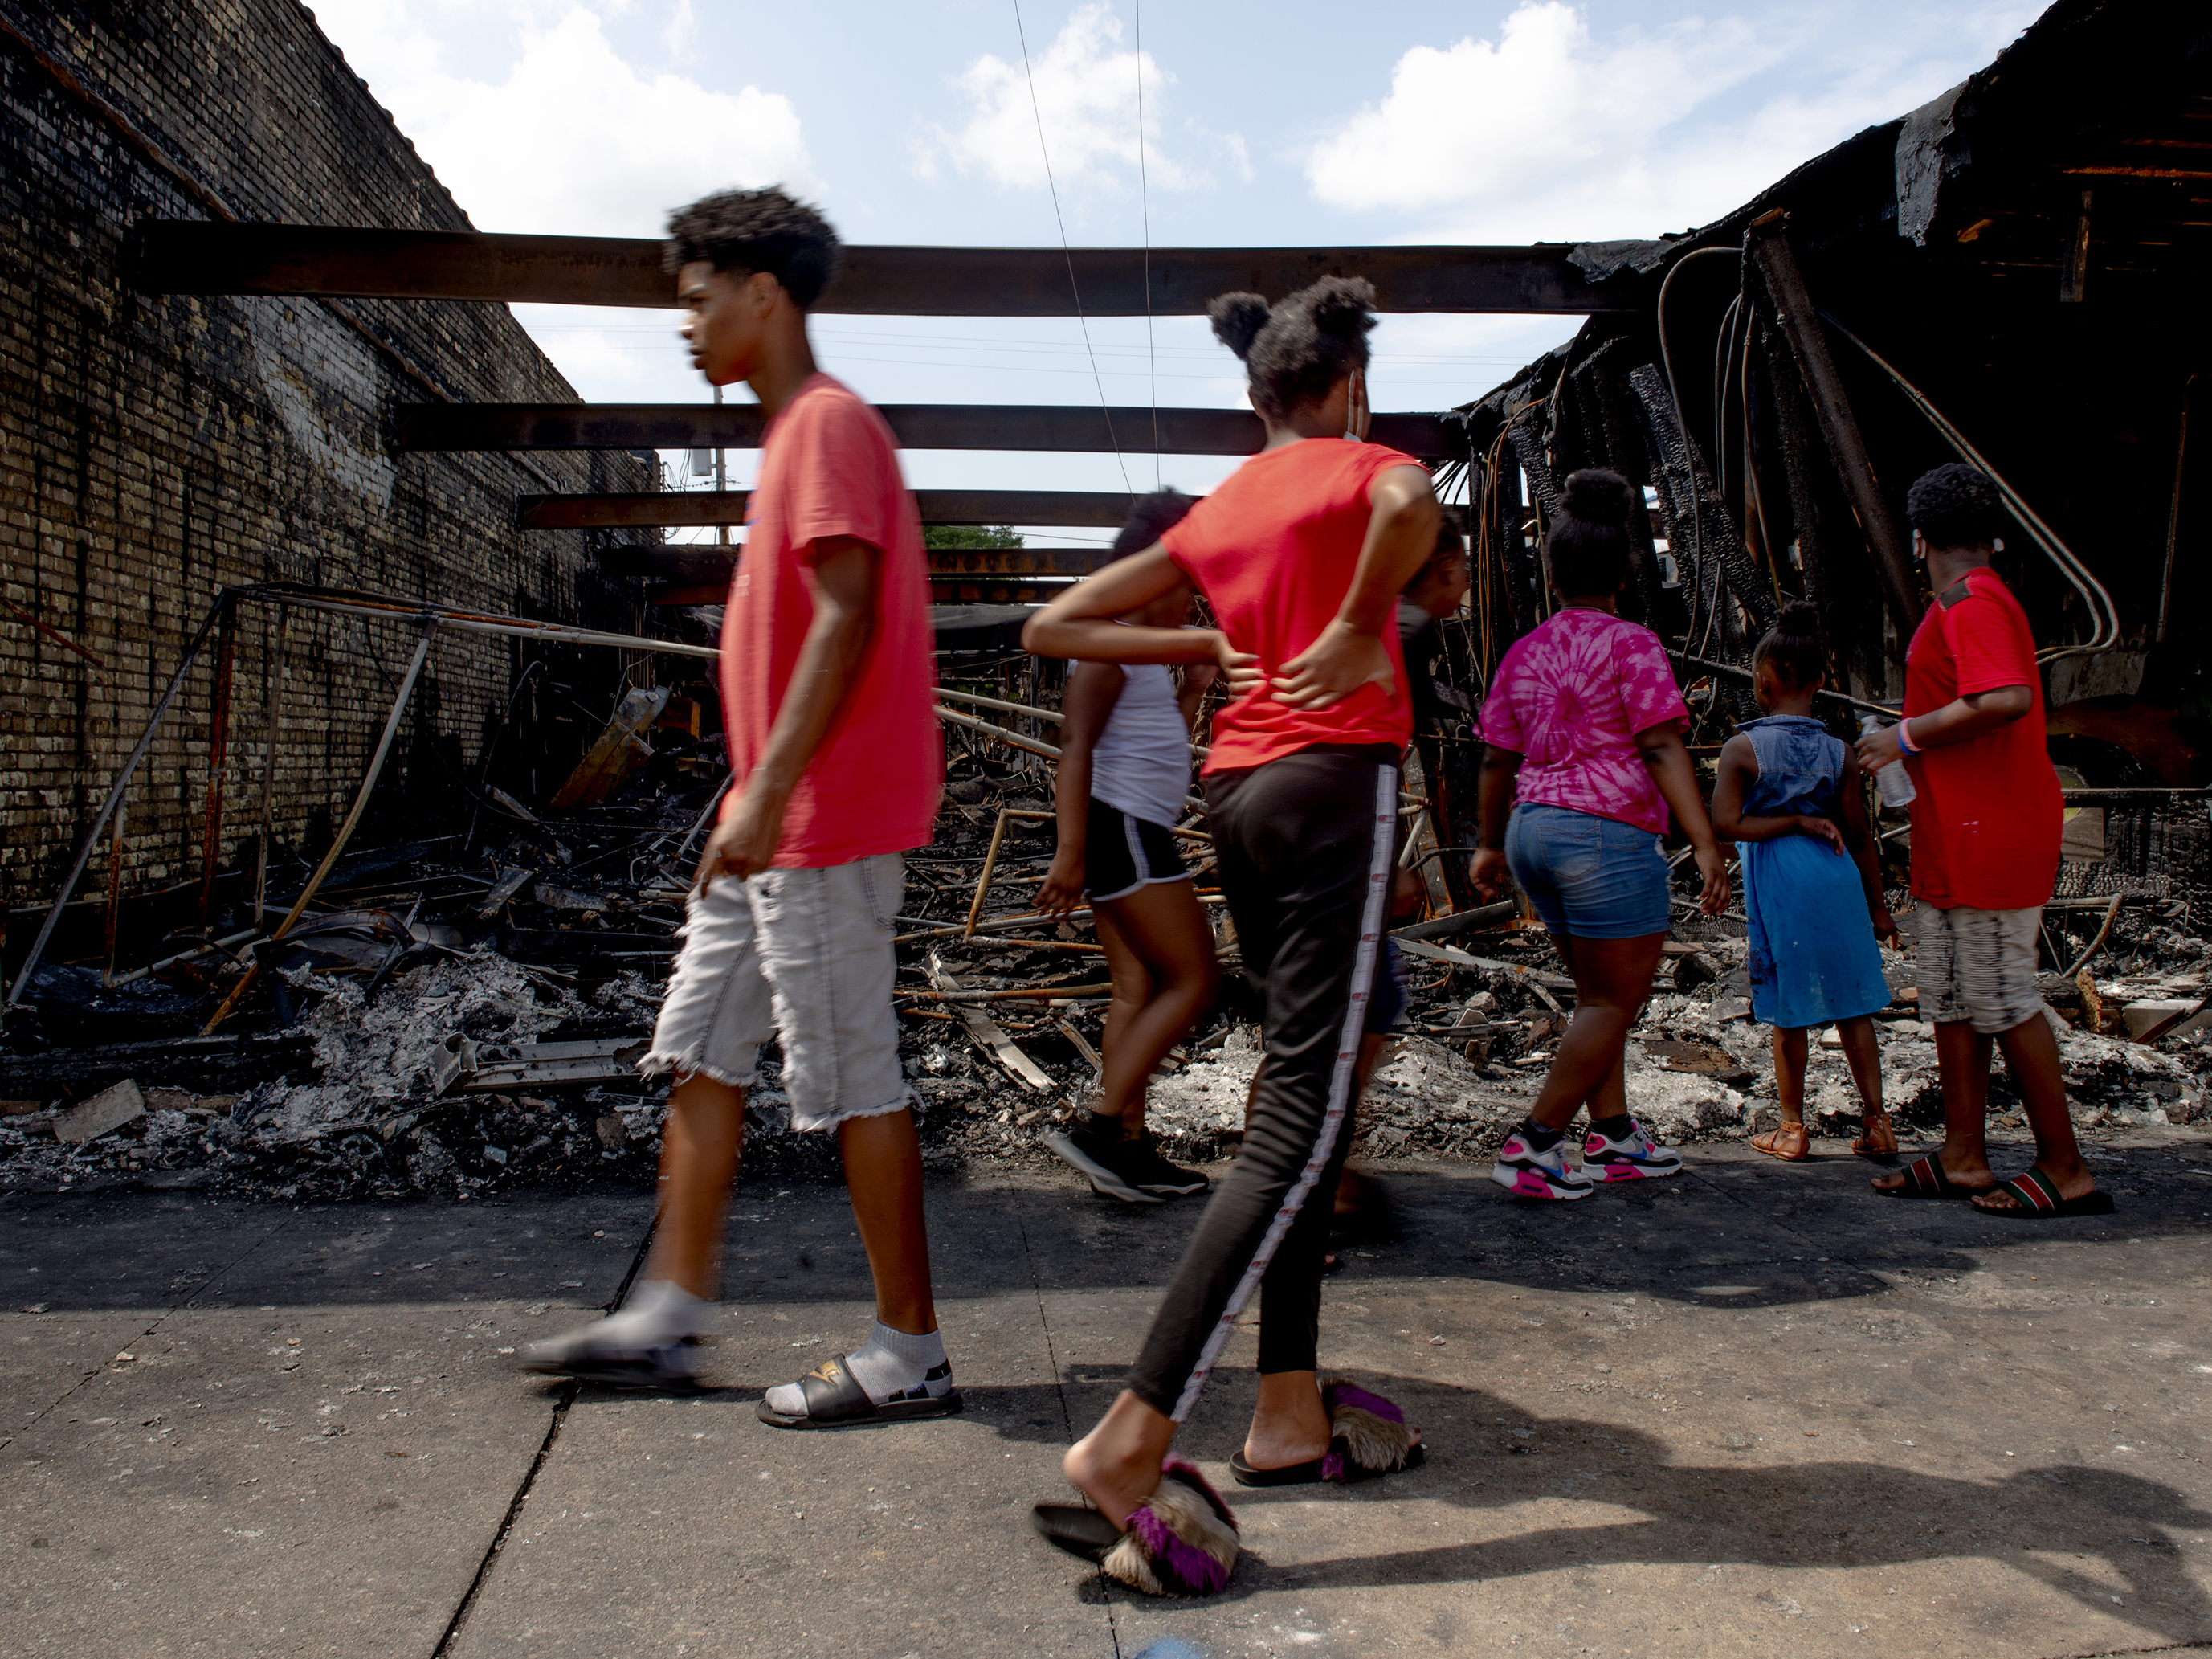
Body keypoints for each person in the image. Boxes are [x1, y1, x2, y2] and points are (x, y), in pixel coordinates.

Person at [524, 186, 966, 1421]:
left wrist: (769, 787)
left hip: (817, 818)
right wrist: (747, 794)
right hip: (769, 816)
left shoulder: (825, 427)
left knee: (852, 1077)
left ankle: (909, 1352)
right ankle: (666, 1314)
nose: (686, 323)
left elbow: (846, 611)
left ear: (761, 293)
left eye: (698, 297)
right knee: (702, 1051)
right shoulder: (792, 440)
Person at [1022, 277, 1431, 1593]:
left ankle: (1286, 1406)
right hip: (1329, 782)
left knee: (1300, 1096)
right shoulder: (1364, 461)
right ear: (1347, 380)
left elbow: (1051, 624)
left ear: (1251, 395)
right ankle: (1130, 1440)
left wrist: (1213, 629)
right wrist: (1361, 619)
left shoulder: (1219, 508)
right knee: (1302, 1114)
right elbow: (1407, 508)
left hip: (1235, 792)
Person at [1855, 464, 2108, 1216]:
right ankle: (1964, 1155)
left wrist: (1905, 735)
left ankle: (2065, 1168)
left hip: (1990, 832)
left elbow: (2005, 697)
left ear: (1919, 537)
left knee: (2002, 997)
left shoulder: (1972, 603)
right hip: (1955, 833)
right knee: (1957, 997)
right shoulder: (1965, 603)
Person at [1471, 468, 1732, 1200]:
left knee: (1594, 996)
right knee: (1612, 1002)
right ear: (1623, 570)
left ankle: (1613, 1136)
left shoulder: (1524, 652)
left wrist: (1489, 845)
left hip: (1533, 835)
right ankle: (1535, 1145)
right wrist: (1705, 839)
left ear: (1551, 576)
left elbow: (1495, 757)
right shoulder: (1633, 644)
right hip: (1605, 839)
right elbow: (1660, 746)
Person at [1038, 488, 1218, 1205]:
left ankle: (1129, 1153)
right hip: (1127, 834)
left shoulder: (1139, 659)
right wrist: (1070, 852)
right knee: (1195, 980)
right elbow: (1074, 748)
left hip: (1133, 829)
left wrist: (1195, 691)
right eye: (1185, 586)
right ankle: (1103, 1126)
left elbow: (1154, 744)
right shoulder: (1104, 651)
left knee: (1136, 989)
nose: (1192, 604)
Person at [1711, 603, 1899, 1162]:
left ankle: (1792, 1127)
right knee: (1854, 1005)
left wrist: (1789, 821)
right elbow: (1861, 836)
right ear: (1819, 681)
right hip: (1838, 872)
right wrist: (1881, 908)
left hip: (1781, 878)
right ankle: (1878, 1122)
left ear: (1764, 683)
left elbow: (1725, 823)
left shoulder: (1742, 749)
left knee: (1788, 1009)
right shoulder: (1838, 751)